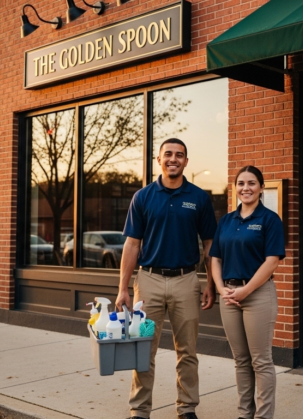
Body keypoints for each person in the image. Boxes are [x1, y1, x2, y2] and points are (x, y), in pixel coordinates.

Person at [116, 138, 217, 419]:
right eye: (168, 154)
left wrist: (209, 283)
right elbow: (132, 245)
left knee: (187, 350)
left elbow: (209, 244)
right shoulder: (144, 197)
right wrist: (122, 289)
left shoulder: (198, 198)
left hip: (186, 281)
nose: (174, 159)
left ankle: (186, 409)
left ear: (186, 161)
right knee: (143, 349)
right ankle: (139, 410)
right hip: (149, 281)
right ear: (158, 160)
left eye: (180, 155)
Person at [210, 166, 285, 419]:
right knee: (241, 360)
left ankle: (263, 416)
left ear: (261, 188)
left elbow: (272, 261)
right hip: (229, 295)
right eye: (241, 183)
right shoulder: (226, 221)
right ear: (235, 188)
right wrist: (221, 289)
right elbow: (216, 258)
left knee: (261, 361)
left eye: (252, 183)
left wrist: (245, 290)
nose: (246, 188)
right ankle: (245, 415)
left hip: (258, 295)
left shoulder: (270, 220)